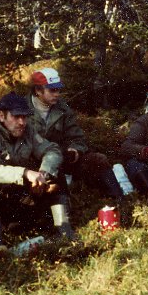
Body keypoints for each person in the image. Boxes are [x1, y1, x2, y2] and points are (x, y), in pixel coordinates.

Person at [0, 92, 75, 256]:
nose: (22, 122)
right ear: (2, 116)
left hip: (10, 196)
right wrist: (25, 173)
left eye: (25, 117)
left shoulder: (26, 130)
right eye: (17, 117)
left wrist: (42, 175)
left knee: (55, 174)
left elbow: (51, 150)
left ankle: (66, 234)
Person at [27, 67, 123, 200]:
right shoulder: (21, 109)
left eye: (58, 90)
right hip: (33, 162)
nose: (57, 94)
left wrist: (75, 150)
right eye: (52, 90)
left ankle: (119, 200)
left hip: (62, 157)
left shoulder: (62, 108)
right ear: (38, 90)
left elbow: (77, 137)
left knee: (98, 160)